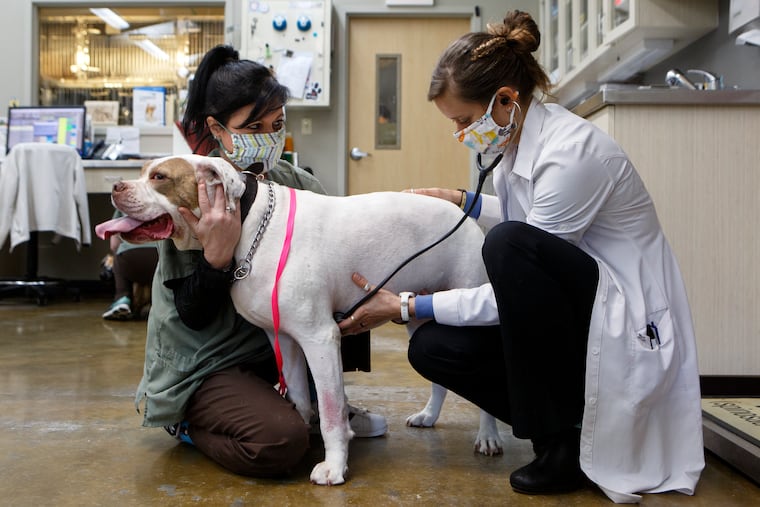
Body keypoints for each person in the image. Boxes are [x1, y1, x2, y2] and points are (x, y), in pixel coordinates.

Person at [338, 10, 703, 503]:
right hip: (582, 314)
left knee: (504, 245)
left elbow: (518, 271)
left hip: (624, 320)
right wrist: (460, 199)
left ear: (505, 99)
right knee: (431, 349)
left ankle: (560, 444)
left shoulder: (572, 153)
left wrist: (406, 306)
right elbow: (531, 221)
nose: (462, 133)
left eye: (465, 121)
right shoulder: (518, 145)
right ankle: (563, 427)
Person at [135, 45, 386, 479]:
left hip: (267, 348)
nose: (269, 136)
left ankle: (328, 406)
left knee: (338, 272)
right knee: (281, 443)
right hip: (208, 359)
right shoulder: (190, 188)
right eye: (253, 126)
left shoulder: (295, 182)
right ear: (219, 128)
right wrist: (217, 257)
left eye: (277, 125)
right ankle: (188, 420)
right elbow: (191, 314)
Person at [101, 210, 158, 320]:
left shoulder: (122, 204)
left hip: (130, 257)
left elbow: (114, 245)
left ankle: (122, 298)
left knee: (116, 256)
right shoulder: (160, 197)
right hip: (160, 256)